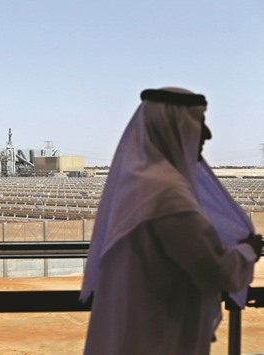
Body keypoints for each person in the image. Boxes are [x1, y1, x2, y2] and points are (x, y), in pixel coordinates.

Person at [80, 87, 262, 355]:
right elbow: (214, 270)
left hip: (139, 327)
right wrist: (248, 250)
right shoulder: (166, 195)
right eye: (199, 121)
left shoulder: (140, 183)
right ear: (173, 125)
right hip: (158, 337)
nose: (207, 134)